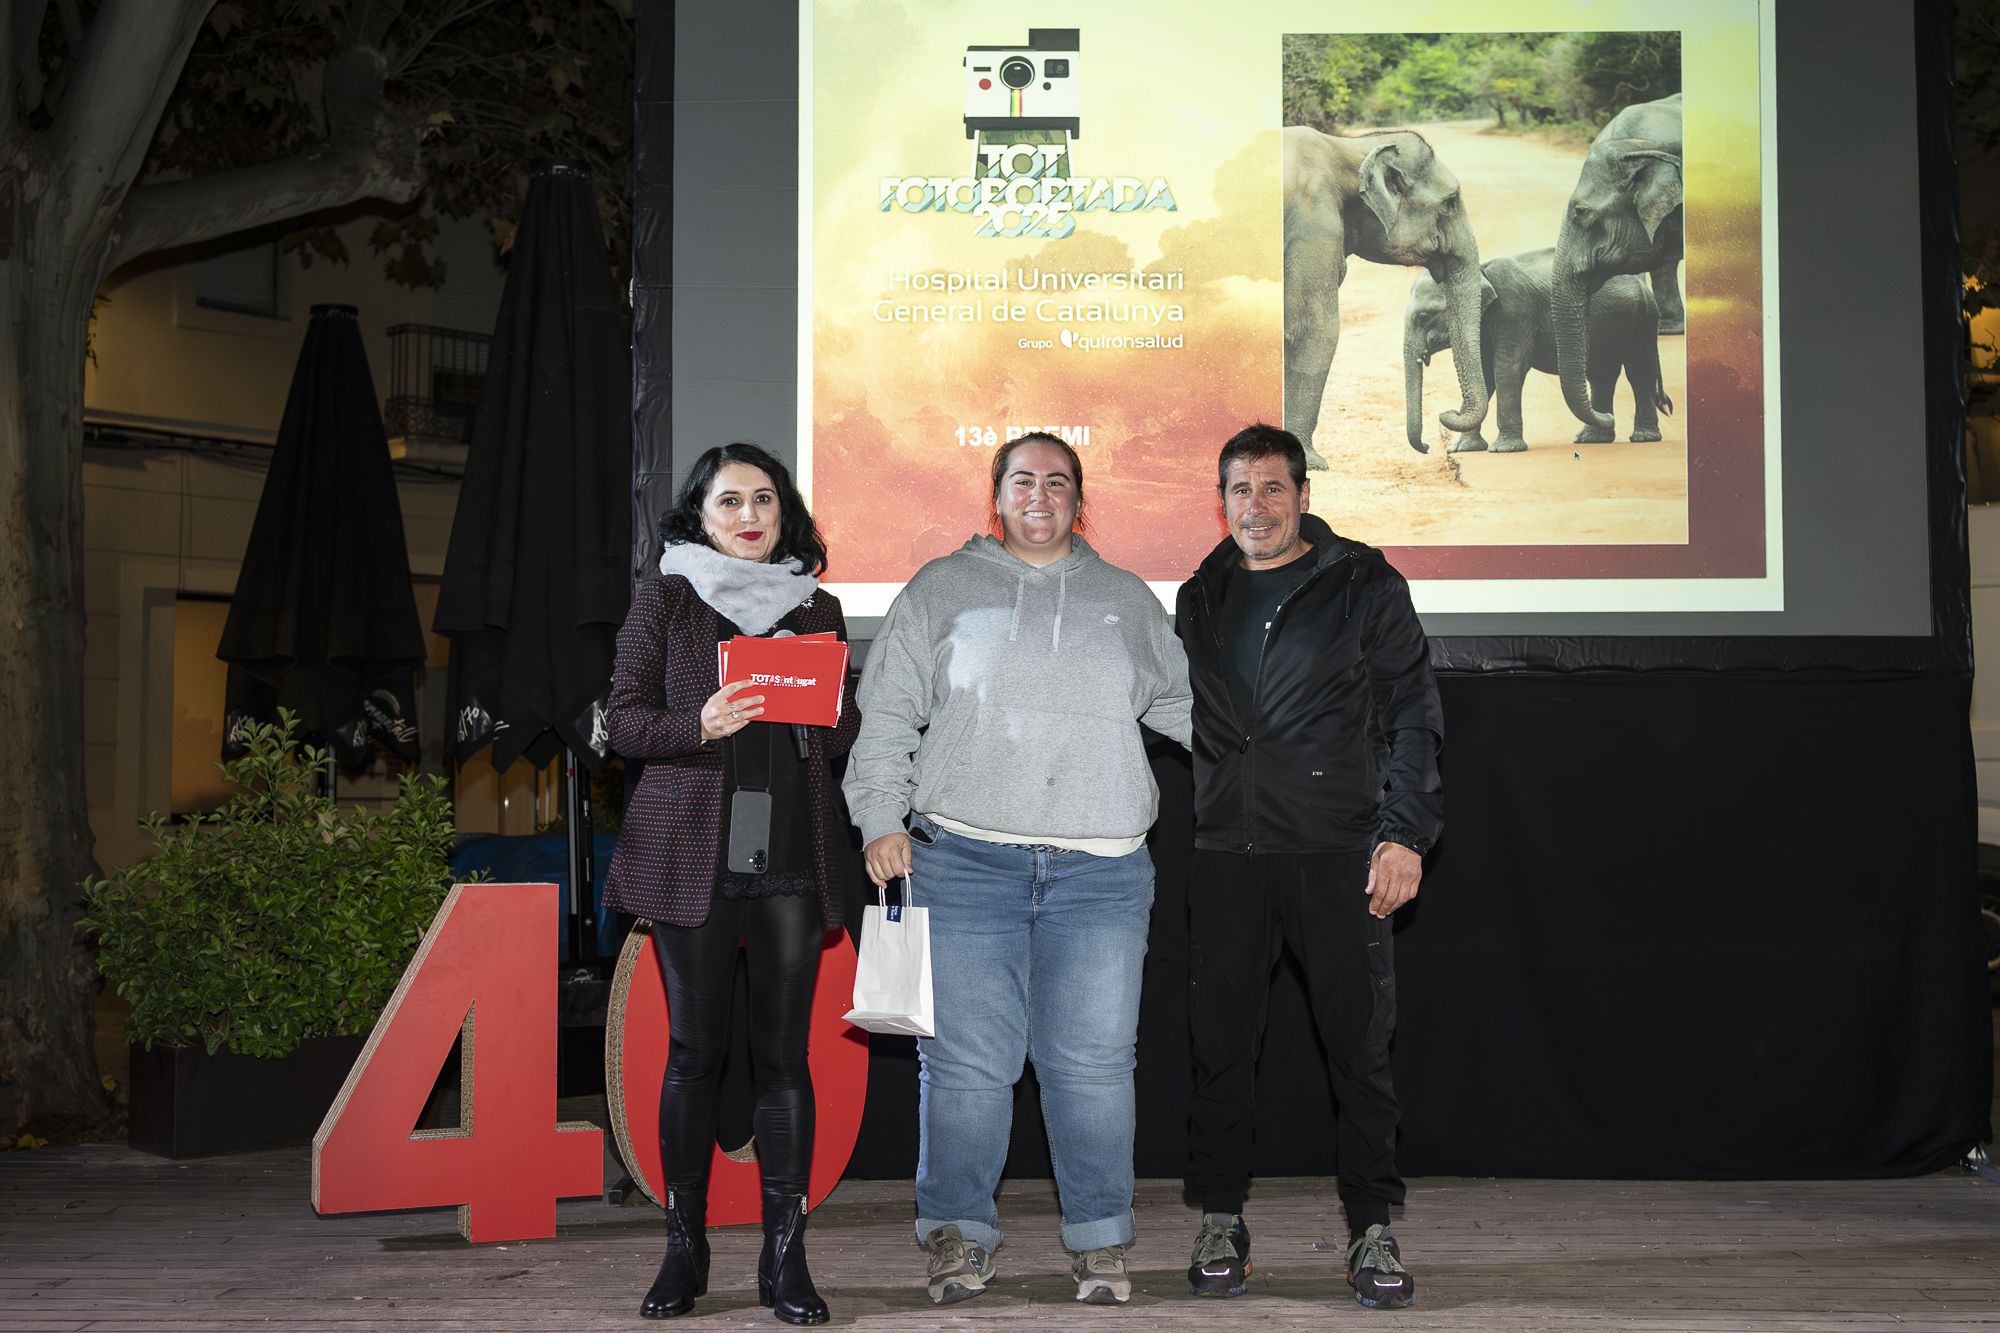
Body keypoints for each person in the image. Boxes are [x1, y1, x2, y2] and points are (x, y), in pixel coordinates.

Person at [843, 432, 1193, 1307]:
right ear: (994, 496)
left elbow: (1196, 715)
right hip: (961, 864)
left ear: (1081, 498)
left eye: (1059, 481)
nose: (1041, 494)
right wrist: (879, 817)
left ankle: (1101, 1241)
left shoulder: (1127, 600)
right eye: (1022, 479)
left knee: (1095, 1065)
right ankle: (959, 1235)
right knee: (963, 1066)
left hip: (1102, 876)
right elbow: (883, 715)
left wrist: (1303, 771)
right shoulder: (939, 590)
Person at [1174, 423, 1443, 1311]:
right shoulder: (1198, 593)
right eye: (1241, 489)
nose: (1257, 505)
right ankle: (1221, 1217)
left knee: (1360, 1054)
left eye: (1274, 487)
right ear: (1223, 500)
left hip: (1341, 853)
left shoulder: (1362, 579)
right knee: (1220, 1054)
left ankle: (1372, 1225)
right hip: (1226, 855)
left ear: (1303, 495)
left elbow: (1413, 712)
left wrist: (1403, 831)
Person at [603, 442, 860, 1326]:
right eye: (729, 503)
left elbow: (839, 736)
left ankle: (785, 1259)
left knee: (786, 1060)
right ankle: (686, 1247)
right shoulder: (666, 599)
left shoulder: (816, 606)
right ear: (698, 517)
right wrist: (696, 723)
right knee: (695, 1057)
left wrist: (830, 700)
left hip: (792, 859)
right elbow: (623, 721)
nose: (749, 516)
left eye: (764, 500)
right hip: (692, 863)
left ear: (784, 513)